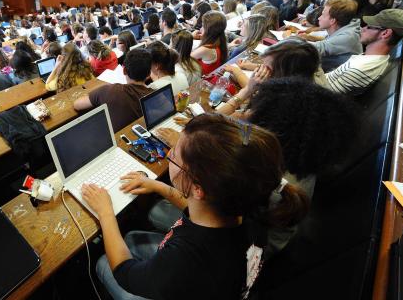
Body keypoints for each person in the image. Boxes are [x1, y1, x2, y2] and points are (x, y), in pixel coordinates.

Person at [85, 113, 308, 299]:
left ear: (199, 188)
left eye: (174, 157)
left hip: (183, 280)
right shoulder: (252, 211)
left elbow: (125, 273)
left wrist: (106, 213)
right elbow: (196, 205)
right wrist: (157, 186)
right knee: (132, 236)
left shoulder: (186, 259)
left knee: (104, 263)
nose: (169, 154)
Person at [323, 9, 403, 95]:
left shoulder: (359, 69)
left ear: (385, 33)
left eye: (369, 27)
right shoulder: (371, 58)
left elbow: (321, 94)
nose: (363, 29)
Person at [73, 48, 153, 131]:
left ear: (124, 70)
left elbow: (77, 105)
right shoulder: (154, 96)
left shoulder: (108, 90)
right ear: (149, 74)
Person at [299, 0, 363, 71]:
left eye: (323, 15)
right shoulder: (345, 26)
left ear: (333, 20)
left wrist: (288, 38)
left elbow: (312, 49)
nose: (319, 18)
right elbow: (328, 40)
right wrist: (308, 37)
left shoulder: (348, 36)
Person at [191, 11, 228, 75]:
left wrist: (191, 37)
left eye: (203, 26)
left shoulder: (205, 49)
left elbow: (184, 58)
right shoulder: (220, 40)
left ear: (208, 30)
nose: (200, 28)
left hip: (204, 80)